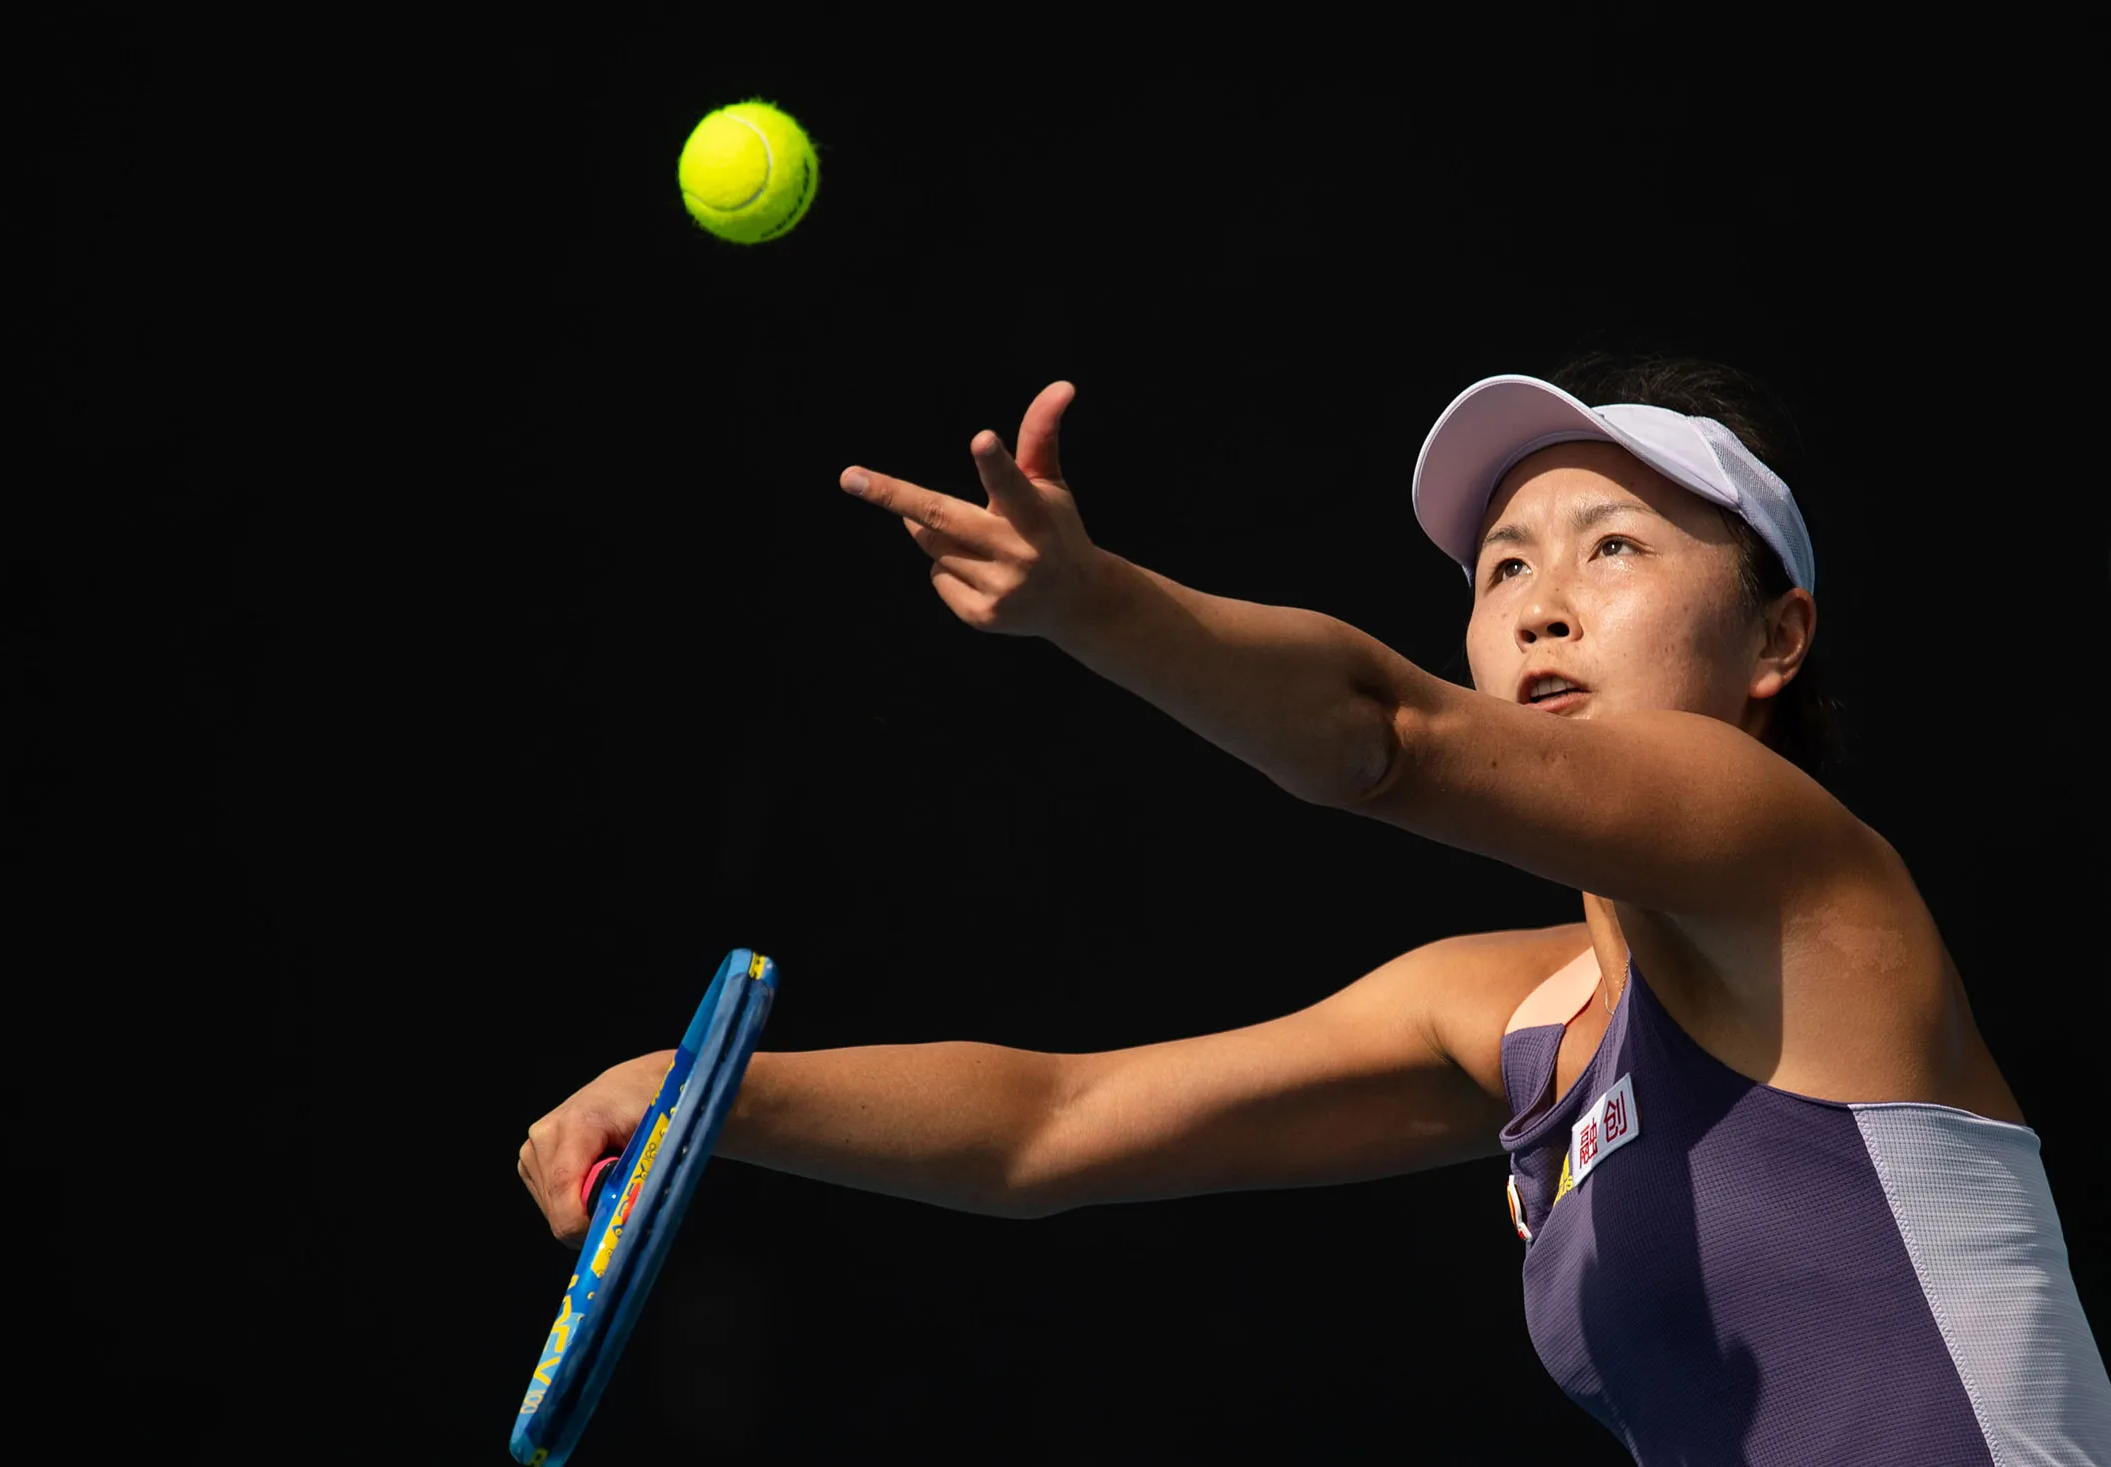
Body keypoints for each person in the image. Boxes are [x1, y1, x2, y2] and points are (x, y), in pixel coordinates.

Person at [518, 356, 2109, 1462]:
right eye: (1500, 569)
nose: (1541, 600)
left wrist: (1095, 603)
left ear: (1779, 636)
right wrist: (699, 1095)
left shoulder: (1798, 864)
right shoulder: (1520, 1021)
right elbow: (1051, 1126)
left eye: (1613, 547)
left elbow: (1381, 738)